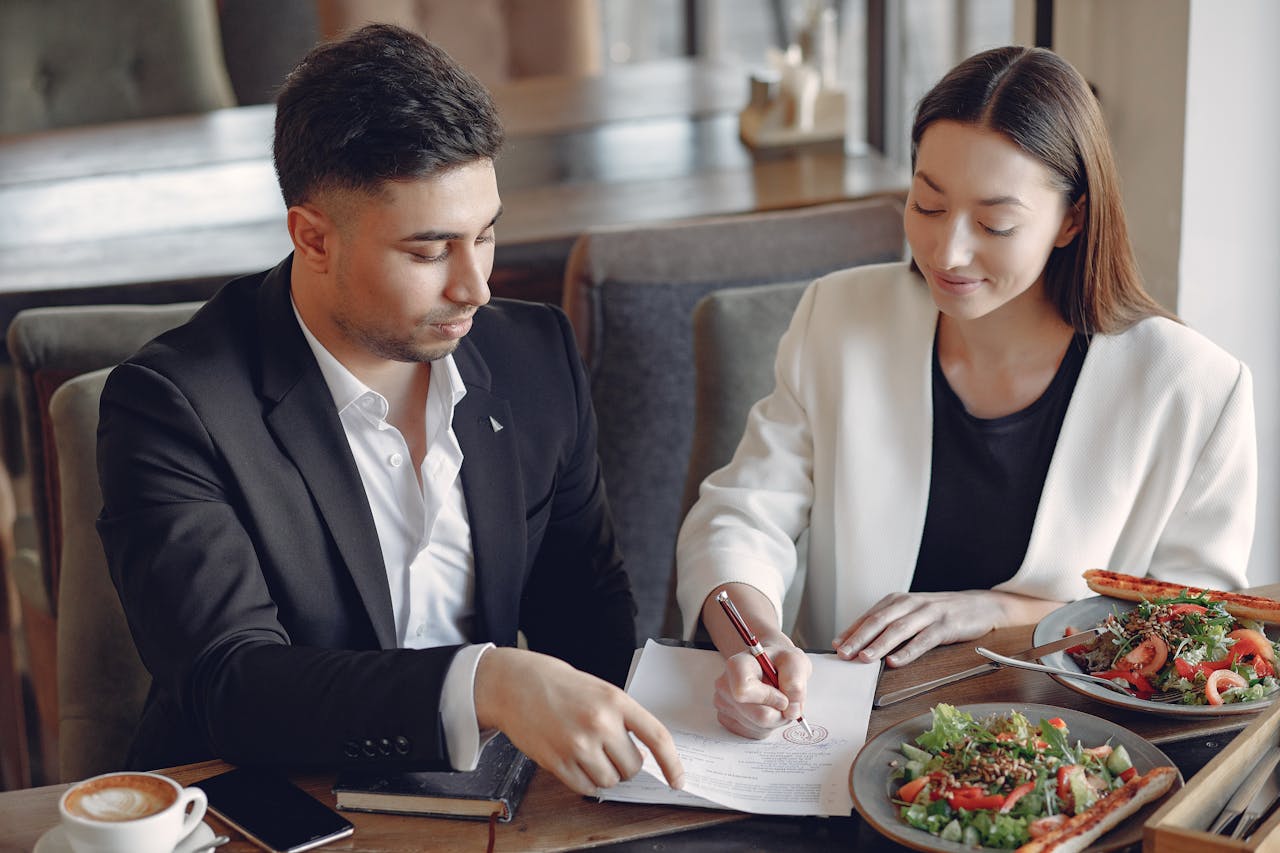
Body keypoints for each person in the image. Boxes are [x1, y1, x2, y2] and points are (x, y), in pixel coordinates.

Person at [96, 24, 683, 796]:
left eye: (487, 235)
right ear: (313, 239)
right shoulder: (173, 406)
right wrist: (488, 684)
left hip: (499, 798)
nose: (474, 286)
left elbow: (588, 609)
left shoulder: (534, 356)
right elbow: (231, 684)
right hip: (276, 803)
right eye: (429, 250)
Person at [675, 45, 1256, 739]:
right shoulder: (838, 318)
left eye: (994, 224)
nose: (947, 252)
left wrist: (1006, 610)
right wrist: (755, 639)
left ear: (1072, 219)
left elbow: (1196, 634)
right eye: (928, 202)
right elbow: (740, 515)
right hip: (841, 739)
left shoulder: (1194, 389)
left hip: (1074, 759)